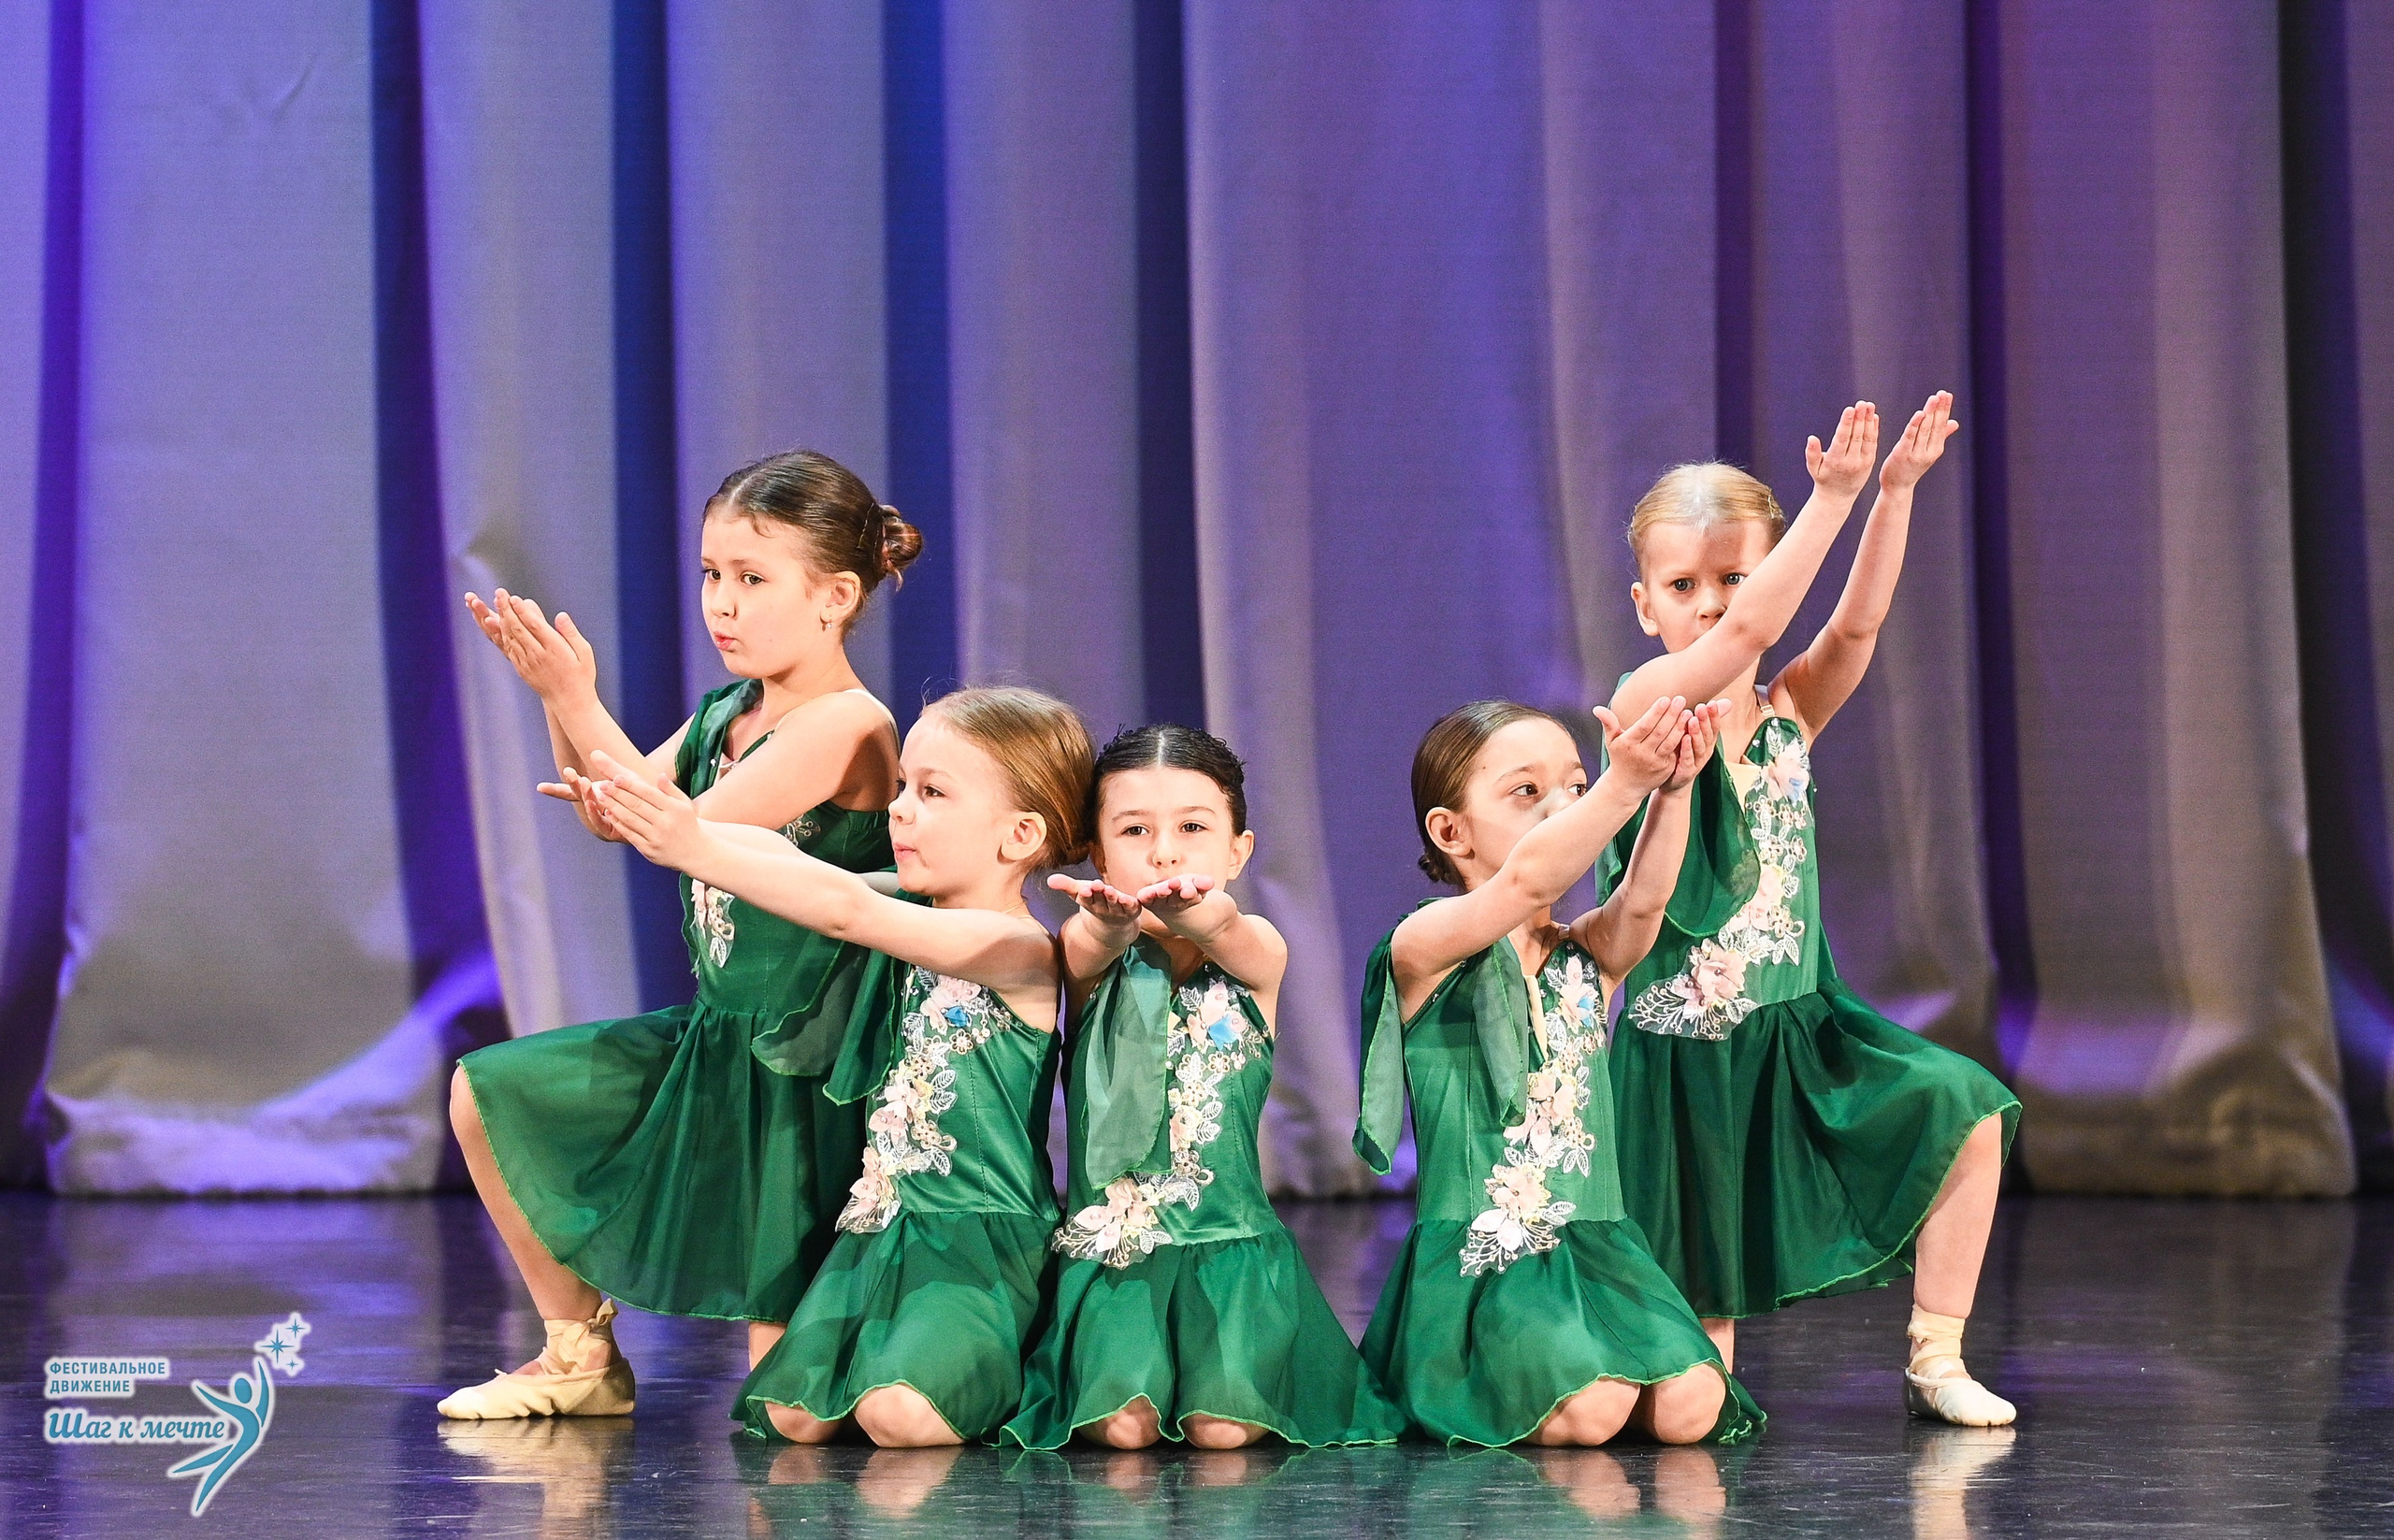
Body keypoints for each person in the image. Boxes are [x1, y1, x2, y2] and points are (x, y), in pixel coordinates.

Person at [439, 450, 915, 1420]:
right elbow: (613, 811)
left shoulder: (847, 724)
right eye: (710, 574)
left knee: (788, 1414)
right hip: (717, 1042)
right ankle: (577, 1352)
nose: (721, 604)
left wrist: (580, 704)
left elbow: (677, 832)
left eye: (752, 578)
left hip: (804, 1071)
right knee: (485, 1094)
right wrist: (559, 699)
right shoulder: (728, 713)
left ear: (835, 597)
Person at [1600, 393, 2021, 1425]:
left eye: (1734, 578)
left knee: (1967, 1111)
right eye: (1683, 585)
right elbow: (1753, 628)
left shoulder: (1788, 712)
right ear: (1645, 605)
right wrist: (1828, 500)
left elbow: (1857, 622)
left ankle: (1935, 1356)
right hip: (1687, 1063)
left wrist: (1891, 495)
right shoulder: (1650, 700)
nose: (1713, 605)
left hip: (1799, 1031)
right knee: (1695, 1400)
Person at [594, 685, 1093, 1447]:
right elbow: (791, 864)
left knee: (898, 1417)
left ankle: (1028, 1347)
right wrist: (669, 813)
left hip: (977, 1239)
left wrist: (691, 846)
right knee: (792, 1414)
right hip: (880, 1228)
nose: (899, 809)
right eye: (903, 786)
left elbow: (845, 910)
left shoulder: (1016, 948)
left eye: (931, 793)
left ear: (1020, 833)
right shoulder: (917, 909)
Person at [1356, 694, 1762, 1446]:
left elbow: (1645, 900)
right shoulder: (1424, 944)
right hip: (1490, 1259)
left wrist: (1672, 791)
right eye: (1527, 791)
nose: (1565, 806)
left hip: (1600, 1253)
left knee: (1692, 1409)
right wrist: (1622, 785)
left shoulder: (1585, 955)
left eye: (1577, 785)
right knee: (1593, 1407)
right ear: (1450, 832)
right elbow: (1525, 885)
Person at [1002, 725, 1406, 1449]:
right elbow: (1090, 945)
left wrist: (1195, 908)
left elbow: (1223, 926)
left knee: (1225, 1429)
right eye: (1135, 830)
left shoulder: (1258, 950)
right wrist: (1110, 924)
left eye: (1192, 827)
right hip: (1118, 1258)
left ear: (1238, 849)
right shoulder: (1087, 950)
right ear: (1098, 852)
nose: (1165, 851)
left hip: (1229, 1255)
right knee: (1120, 1426)